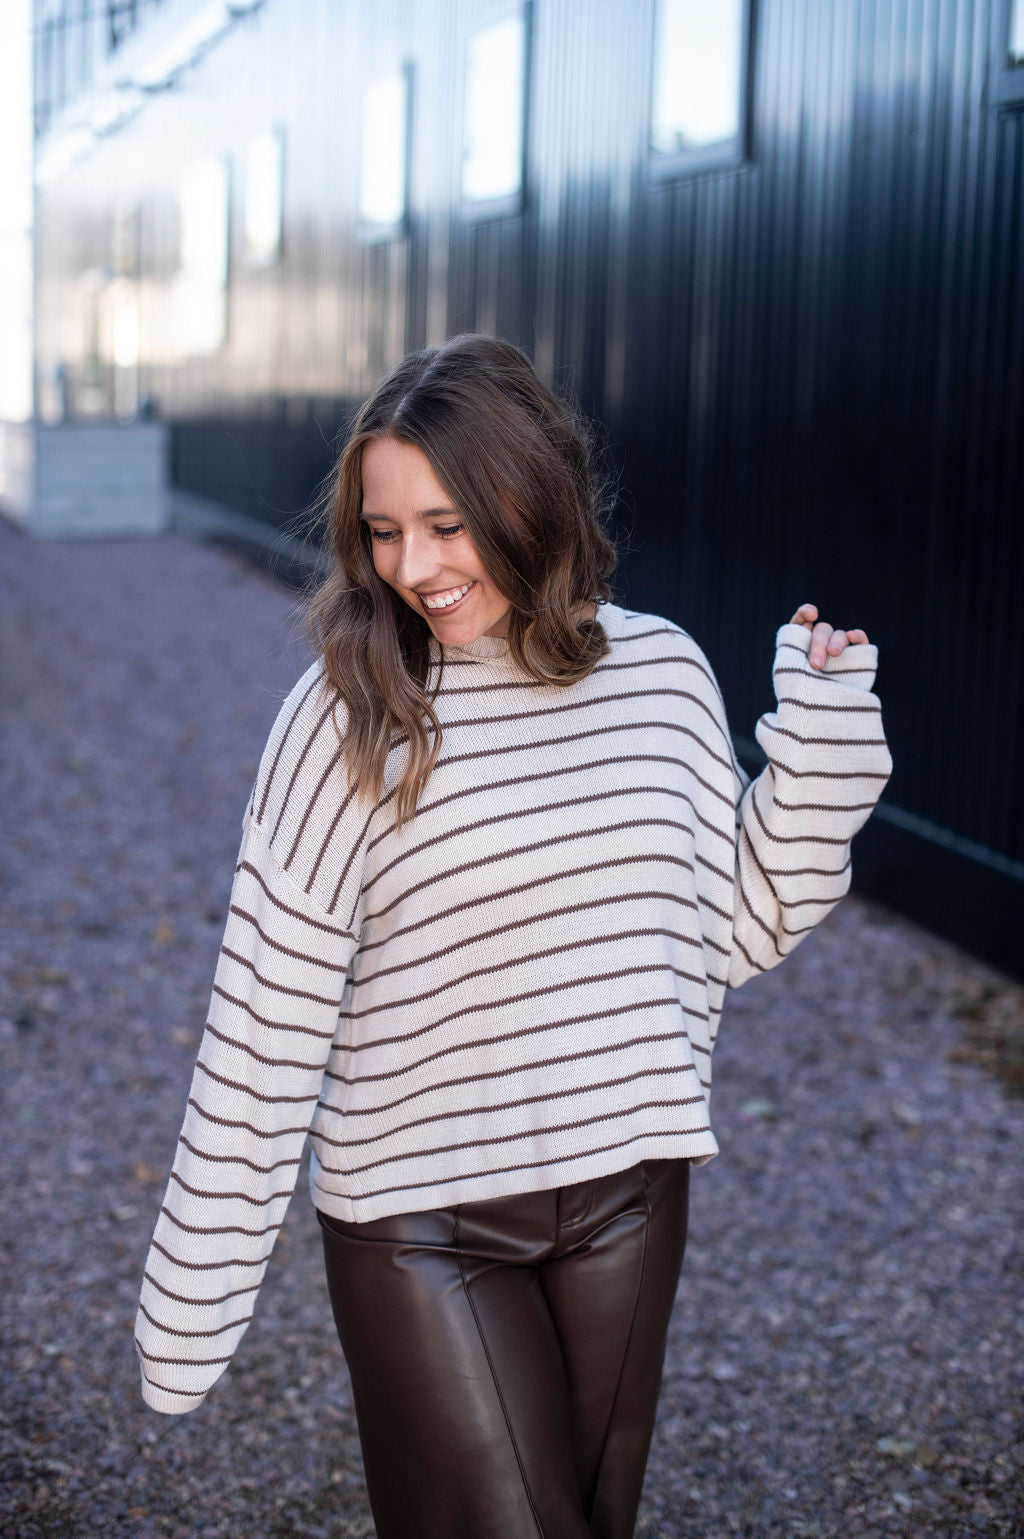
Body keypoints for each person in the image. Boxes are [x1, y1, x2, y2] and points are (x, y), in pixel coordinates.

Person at [135, 334, 892, 1538]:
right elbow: (265, 1023)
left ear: (524, 497)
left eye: (445, 524)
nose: (414, 567)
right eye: (384, 532)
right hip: (420, 1223)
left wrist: (822, 758)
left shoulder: (662, 674)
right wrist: (195, 1293)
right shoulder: (349, 711)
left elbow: (719, 936)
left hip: (626, 1197)